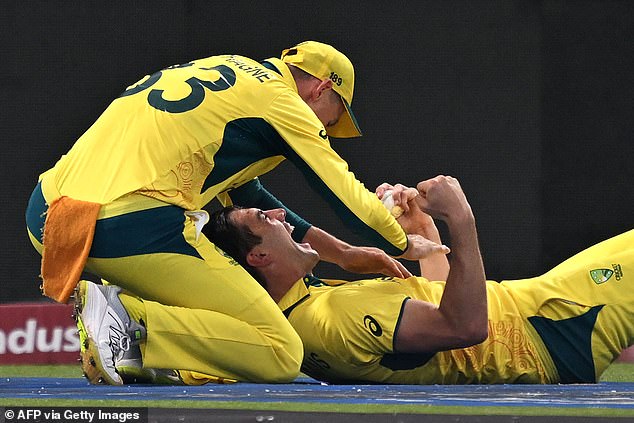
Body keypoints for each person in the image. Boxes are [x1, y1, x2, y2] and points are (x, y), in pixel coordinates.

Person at [25, 41, 432, 385]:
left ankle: (133, 345)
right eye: (337, 114)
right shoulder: (281, 101)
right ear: (322, 88)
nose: (330, 125)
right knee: (280, 351)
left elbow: (244, 189)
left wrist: (343, 254)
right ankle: (128, 319)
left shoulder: (225, 69)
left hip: (48, 211)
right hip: (120, 220)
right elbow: (344, 193)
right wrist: (402, 242)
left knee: (215, 321)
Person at [200, 176, 633, 384]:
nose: (279, 214)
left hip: (539, 312)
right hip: (555, 330)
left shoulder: (306, 307)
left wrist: (424, 228)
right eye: (263, 216)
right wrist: (460, 218)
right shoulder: (331, 316)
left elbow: (441, 315)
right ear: (257, 256)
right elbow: (463, 327)